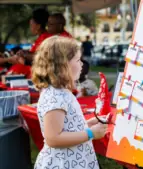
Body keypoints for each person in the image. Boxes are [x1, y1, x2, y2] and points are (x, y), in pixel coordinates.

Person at [31, 36, 107, 169]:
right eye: (78, 60)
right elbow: (53, 138)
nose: (82, 64)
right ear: (63, 65)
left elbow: (66, 128)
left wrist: (89, 123)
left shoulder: (62, 92)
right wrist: (90, 133)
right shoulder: (55, 96)